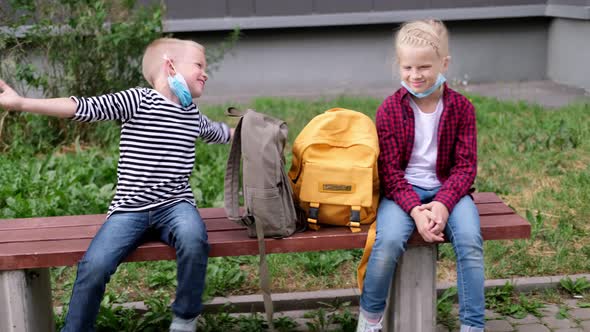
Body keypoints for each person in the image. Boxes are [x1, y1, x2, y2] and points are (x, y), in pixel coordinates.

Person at [0, 37, 232, 332]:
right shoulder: (138, 100)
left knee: (193, 238)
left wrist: (251, 130)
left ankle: (185, 318)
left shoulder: (191, 114)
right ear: (170, 65)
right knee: (94, 266)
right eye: (199, 64)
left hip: (175, 205)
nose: (206, 72)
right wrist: (21, 103)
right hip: (130, 210)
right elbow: (82, 107)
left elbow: (219, 132)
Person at [357, 19, 484, 332]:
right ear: (399, 65)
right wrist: (415, 209)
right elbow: (389, 171)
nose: (415, 76)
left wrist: (442, 203)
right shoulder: (389, 109)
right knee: (385, 243)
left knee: (469, 242)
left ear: (444, 64)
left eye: (424, 67)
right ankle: (370, 320)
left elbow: (466, 166)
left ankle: (473, 325)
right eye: (407, 68)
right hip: (402, 194)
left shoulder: (461, 109)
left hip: (449, 191)